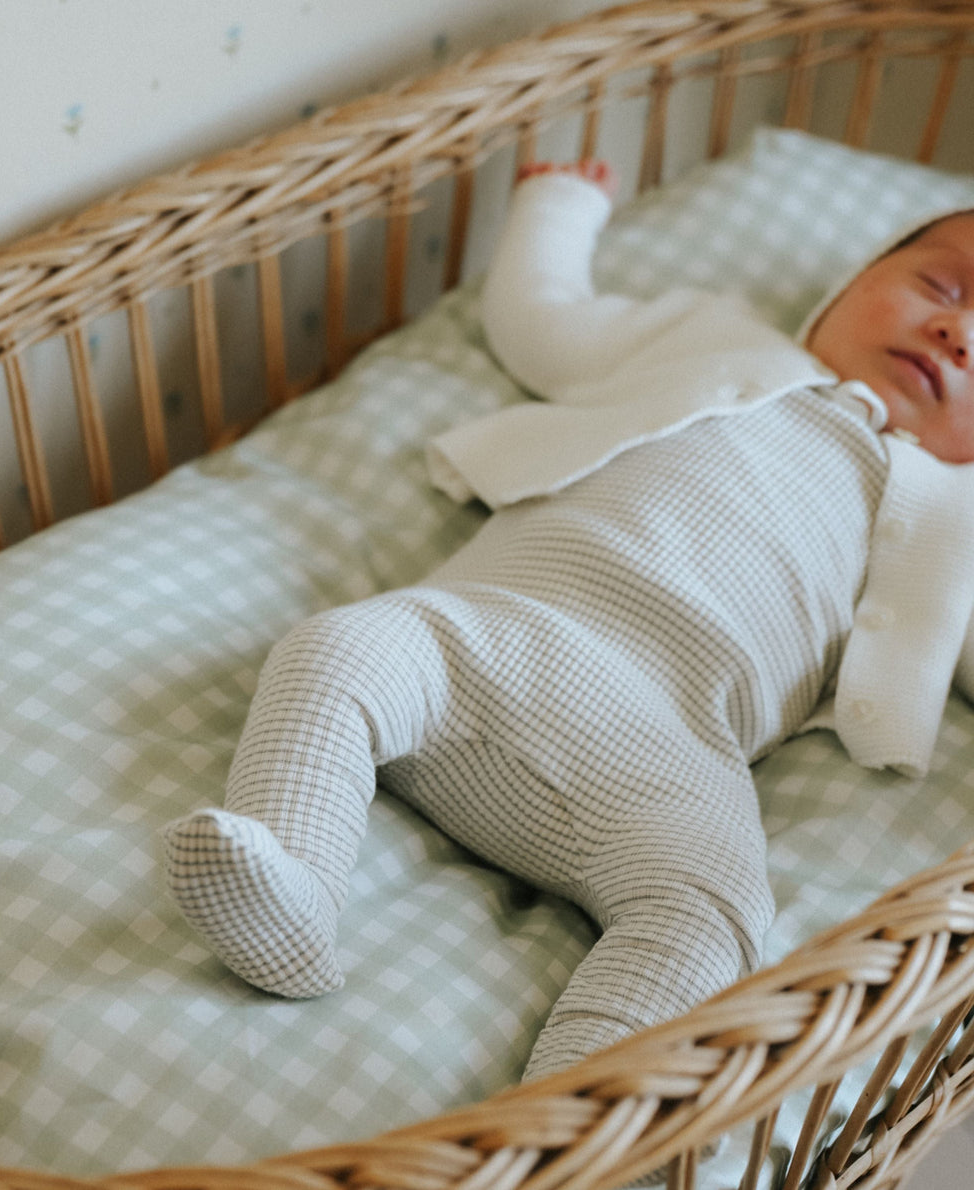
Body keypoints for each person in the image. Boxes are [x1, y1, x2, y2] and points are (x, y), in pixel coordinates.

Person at [163, 159, 974, 1082]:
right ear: (850, 286)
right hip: (494, 634)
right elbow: (541, 319)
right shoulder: (709, 334)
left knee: (719, 910)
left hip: (676, 746)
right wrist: (559, 202)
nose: (955, 331)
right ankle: (294, 886)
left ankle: (577, 1107)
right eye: (937, 287)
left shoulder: (960, 518)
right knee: (335, 650)